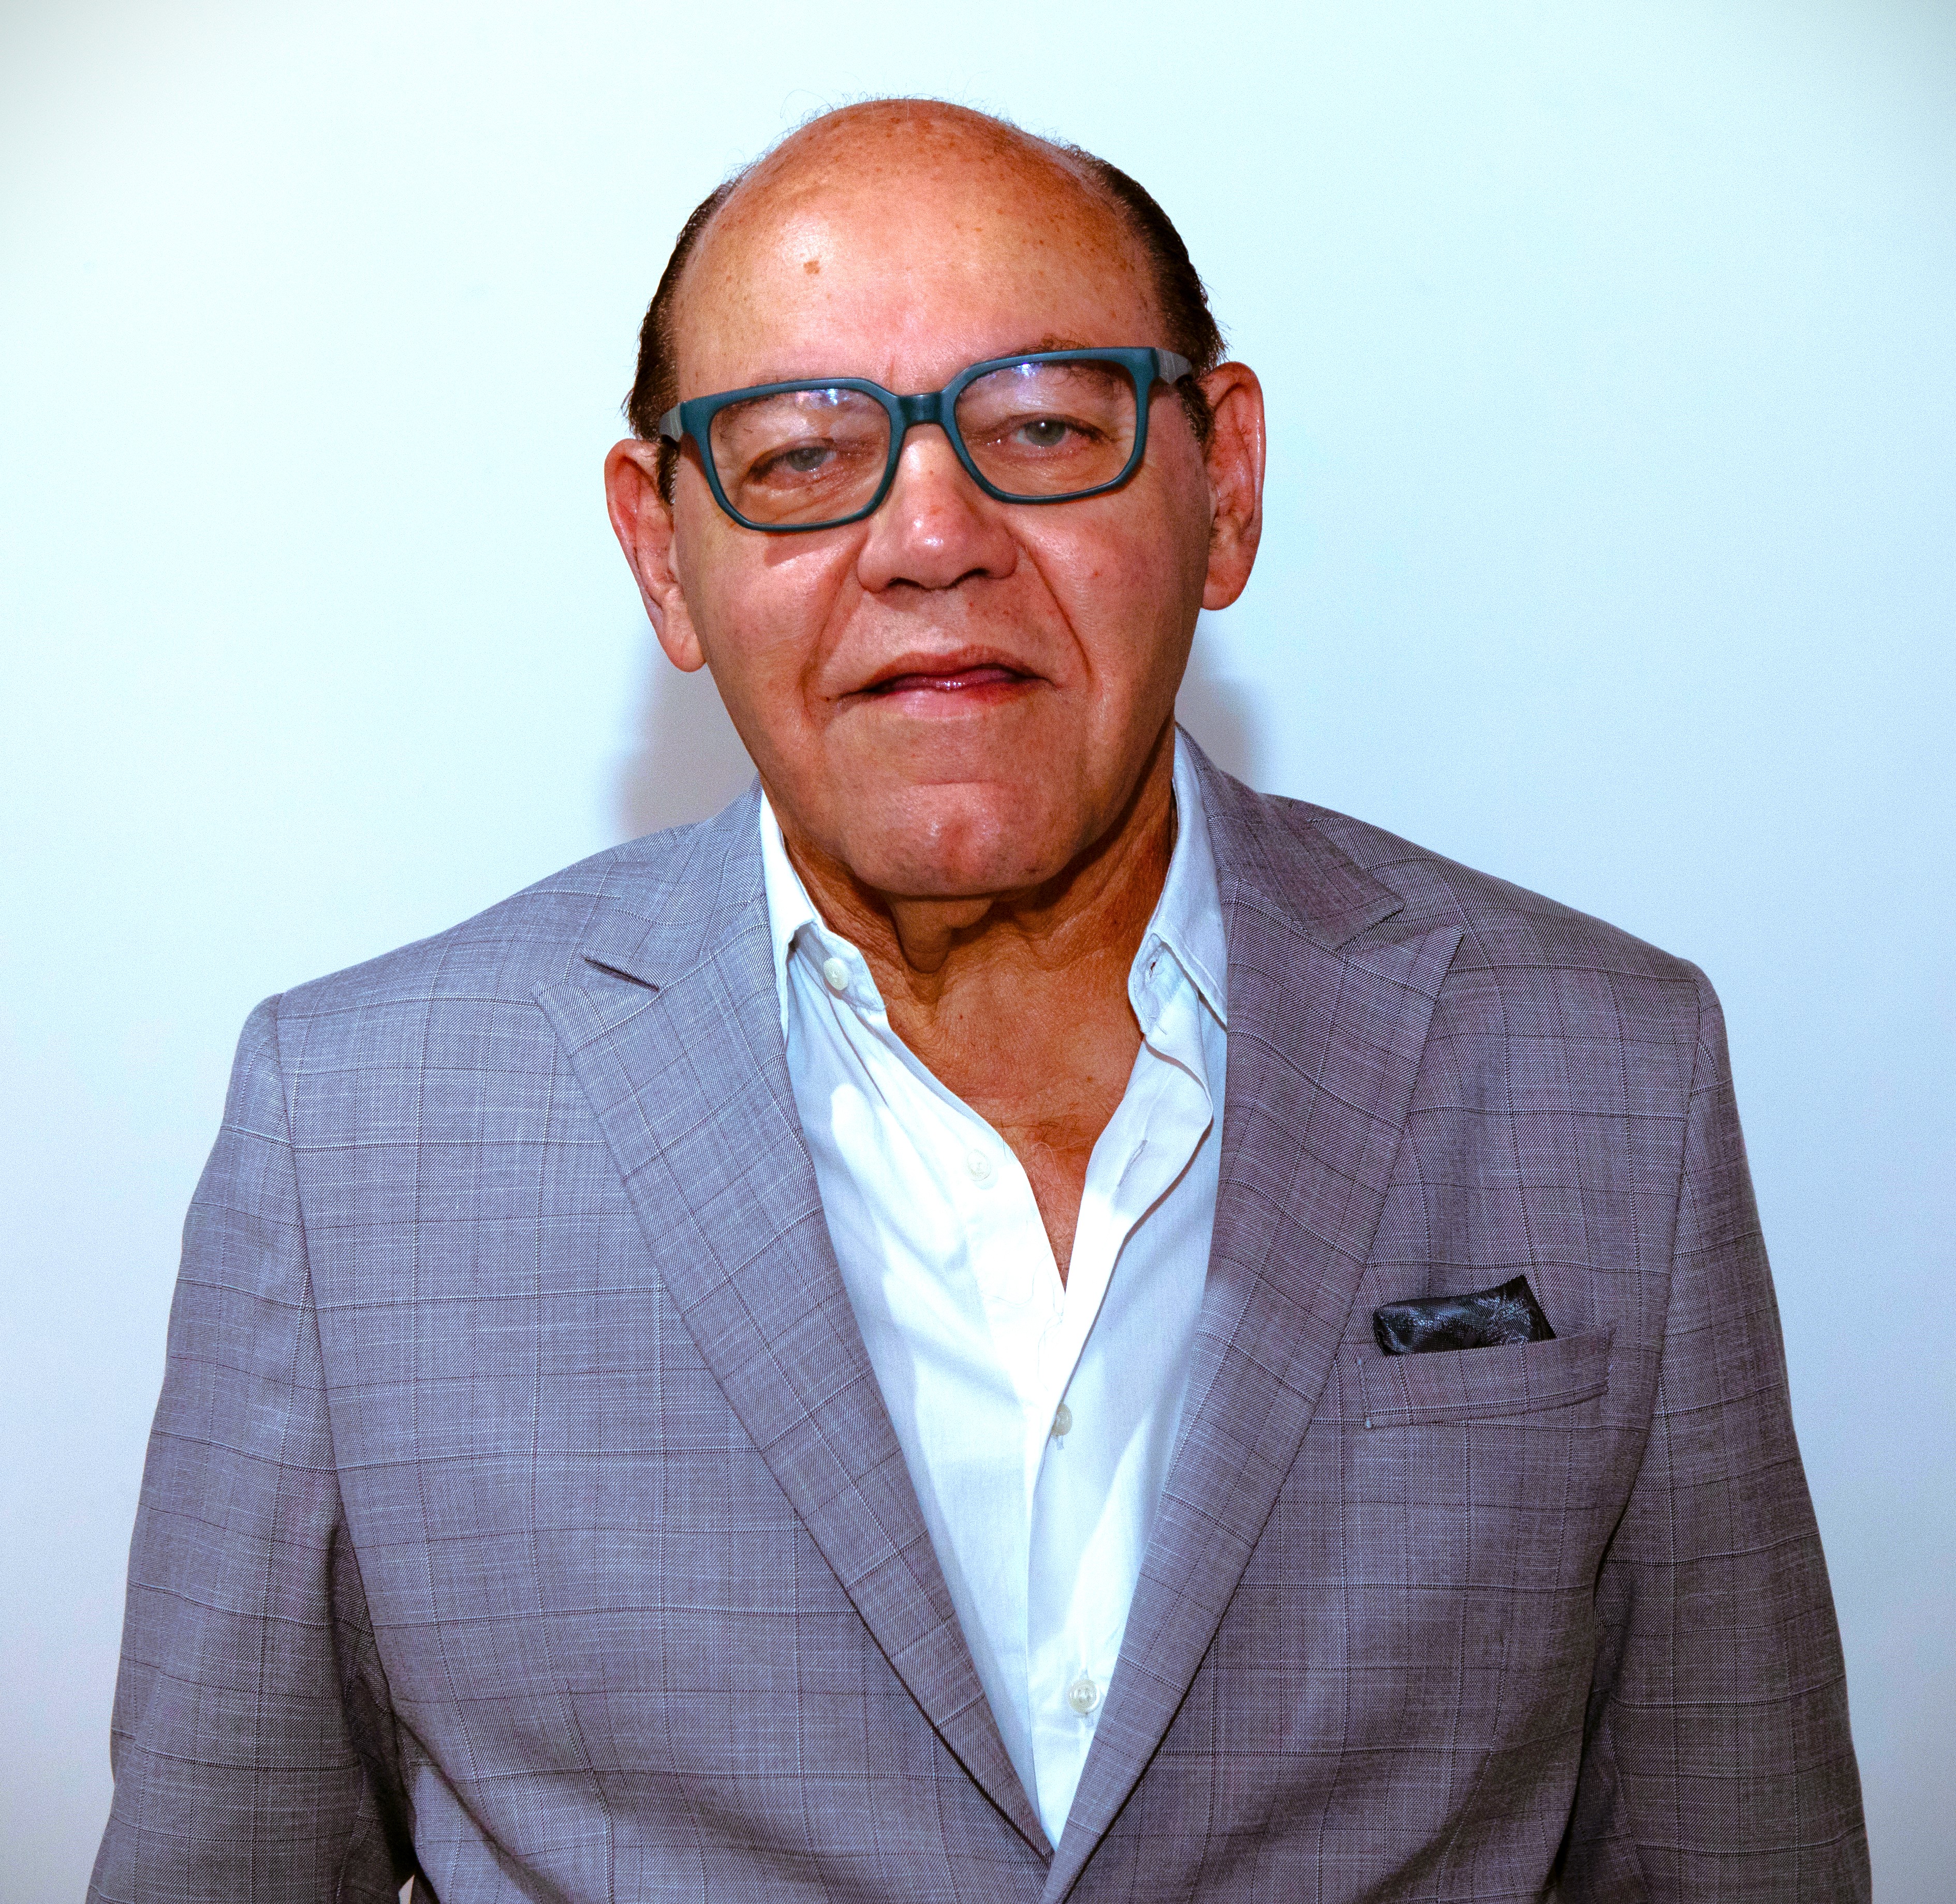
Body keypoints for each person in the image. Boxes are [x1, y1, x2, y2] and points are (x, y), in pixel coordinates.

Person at [91, 99, 1867, 1902]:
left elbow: (1740, 1849)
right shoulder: (354, 1136)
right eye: (801, 454)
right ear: (661, 551)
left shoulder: (1601, 1070)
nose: (932, 538)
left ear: (1224, 486)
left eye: (1041, 428)